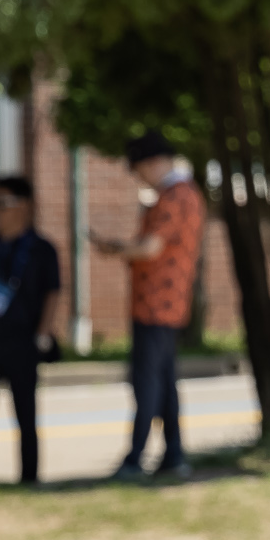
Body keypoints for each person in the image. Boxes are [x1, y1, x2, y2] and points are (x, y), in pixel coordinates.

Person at [91, 131, 204, 480]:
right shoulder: (185, 194)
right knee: (164, 381)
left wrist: (114, 249)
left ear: (154, 163)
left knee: (147, 382)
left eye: (139, 168)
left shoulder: (175, 196)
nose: (138, 176)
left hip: (156, 303)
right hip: (164, 304)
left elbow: (150, 248)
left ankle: (135, 457)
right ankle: (173, 454)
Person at [0, 176, 62, 485]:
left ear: (24, 206)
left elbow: (52, 292)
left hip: (22, 341)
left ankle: (30, 479)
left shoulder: (42, 249)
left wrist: (43, 333)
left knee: (25, 413)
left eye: (2, 204)